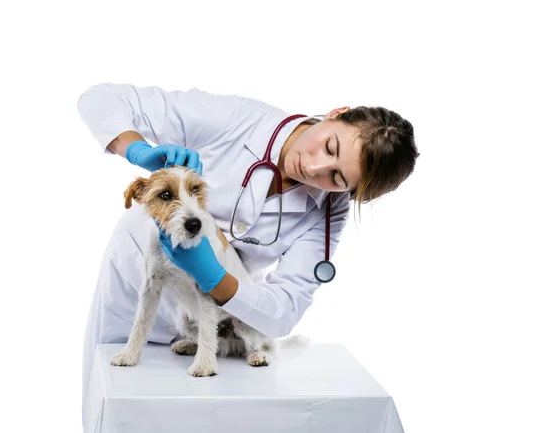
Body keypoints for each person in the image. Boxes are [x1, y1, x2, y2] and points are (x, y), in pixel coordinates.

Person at [76, 83, 419, 421]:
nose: (314, 168)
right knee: (116, 411)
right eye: (329, 147)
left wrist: (215, 279)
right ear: (336, 114)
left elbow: (284, 310)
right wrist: (135, 150)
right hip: (133, 291)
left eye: (337, 178)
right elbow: (102, 98)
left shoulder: (329, 213)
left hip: (219, 328)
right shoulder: (237, 119)